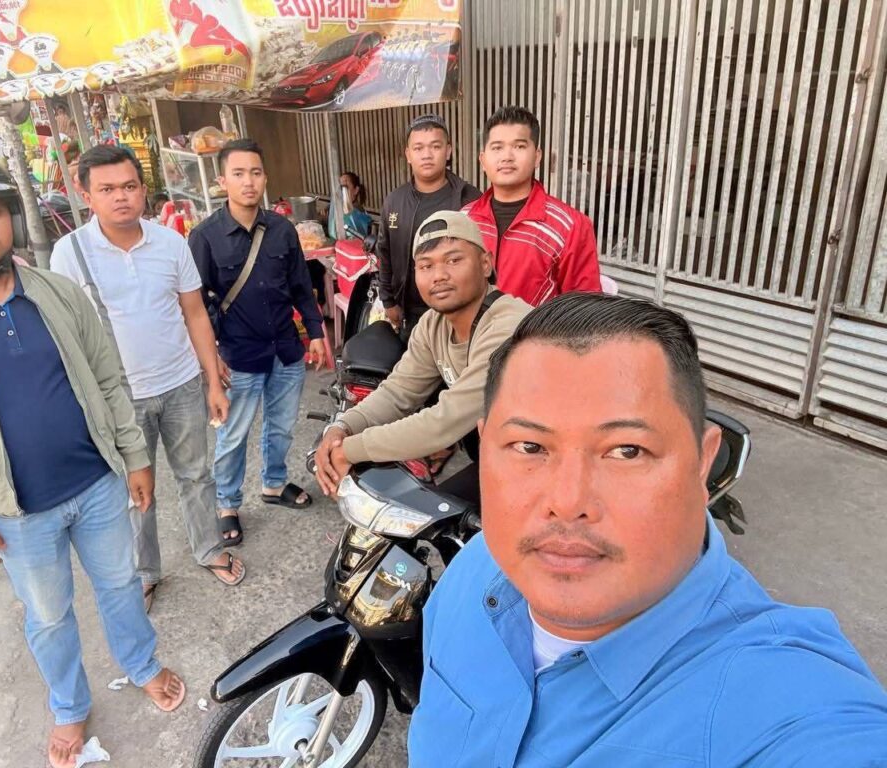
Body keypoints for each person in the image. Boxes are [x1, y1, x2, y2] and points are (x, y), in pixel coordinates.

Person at [408, 293, 887, 767]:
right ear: (485, 445)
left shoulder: (790, 711)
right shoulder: (474, 571)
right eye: (529, 446)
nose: (568, 502)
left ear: (702, 463)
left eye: (627, 451)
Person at [0, 151, 186, 768]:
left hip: (97, 484)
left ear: (13, 219)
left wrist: (135, 457)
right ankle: (69, 706)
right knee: (48, 616)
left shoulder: (58, 293)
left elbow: (109, 378)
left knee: (121, 585)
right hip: (16, 510)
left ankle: (142, 664)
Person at [51, 145, 243, 603]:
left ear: (143, 189)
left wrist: (212, 380)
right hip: (119, 397)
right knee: (136, 490)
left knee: (196, 475)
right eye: (107, 189)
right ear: (86, 195)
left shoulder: (171, 242)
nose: (121, 197)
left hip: (181, 384)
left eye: (129, 186)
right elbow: (65, 334)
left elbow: (194, 313)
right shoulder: (69, 253)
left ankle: (209, 548)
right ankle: (144, 571)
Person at [313, 211, 530, 501]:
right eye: (426, 265)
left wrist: (349, 450)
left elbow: (444, 422)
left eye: (453, 260)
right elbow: (398, 392)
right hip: (502, 455)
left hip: (554, 466)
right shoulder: (432, 324)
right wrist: (343, 426)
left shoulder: (509, 325)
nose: (439, 275)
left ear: (485, 263)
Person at [188, 138, 326, 545]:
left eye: (255, 173)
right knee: (232, 435)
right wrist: (211, 358)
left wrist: (316, 332)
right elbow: (195, 305)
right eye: (238, 173)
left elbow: (301, 286)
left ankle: (274, 483)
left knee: (281, 426)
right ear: (222, 181)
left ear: (265, 178)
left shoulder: (282, 230)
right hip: (239, 354)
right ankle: (227, 504)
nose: (248, 182)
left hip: (286, 349)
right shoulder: (205, 237)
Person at [462, 106, 601, 305]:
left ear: (537, 157)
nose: (507, 156)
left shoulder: (570, 227)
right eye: (497, 147)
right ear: (483, 160)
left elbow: (584, 308)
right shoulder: (464, 219)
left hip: (536, 326)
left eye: (519, 146)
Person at [376, 114, 480, 339]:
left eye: (435, 146)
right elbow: (384, 253)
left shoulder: (469, 199)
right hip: (410, 313)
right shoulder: (395, 201)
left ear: (448, 151)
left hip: (459, 311)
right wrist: (388, 300)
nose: (427, 155)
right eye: (418, 148)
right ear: (408, 154)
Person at [339, 171, 372, 236]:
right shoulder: (339, 208)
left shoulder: (357, 211)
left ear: (356, 190)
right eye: (340, 187)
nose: (342, 191)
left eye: (345, 187)